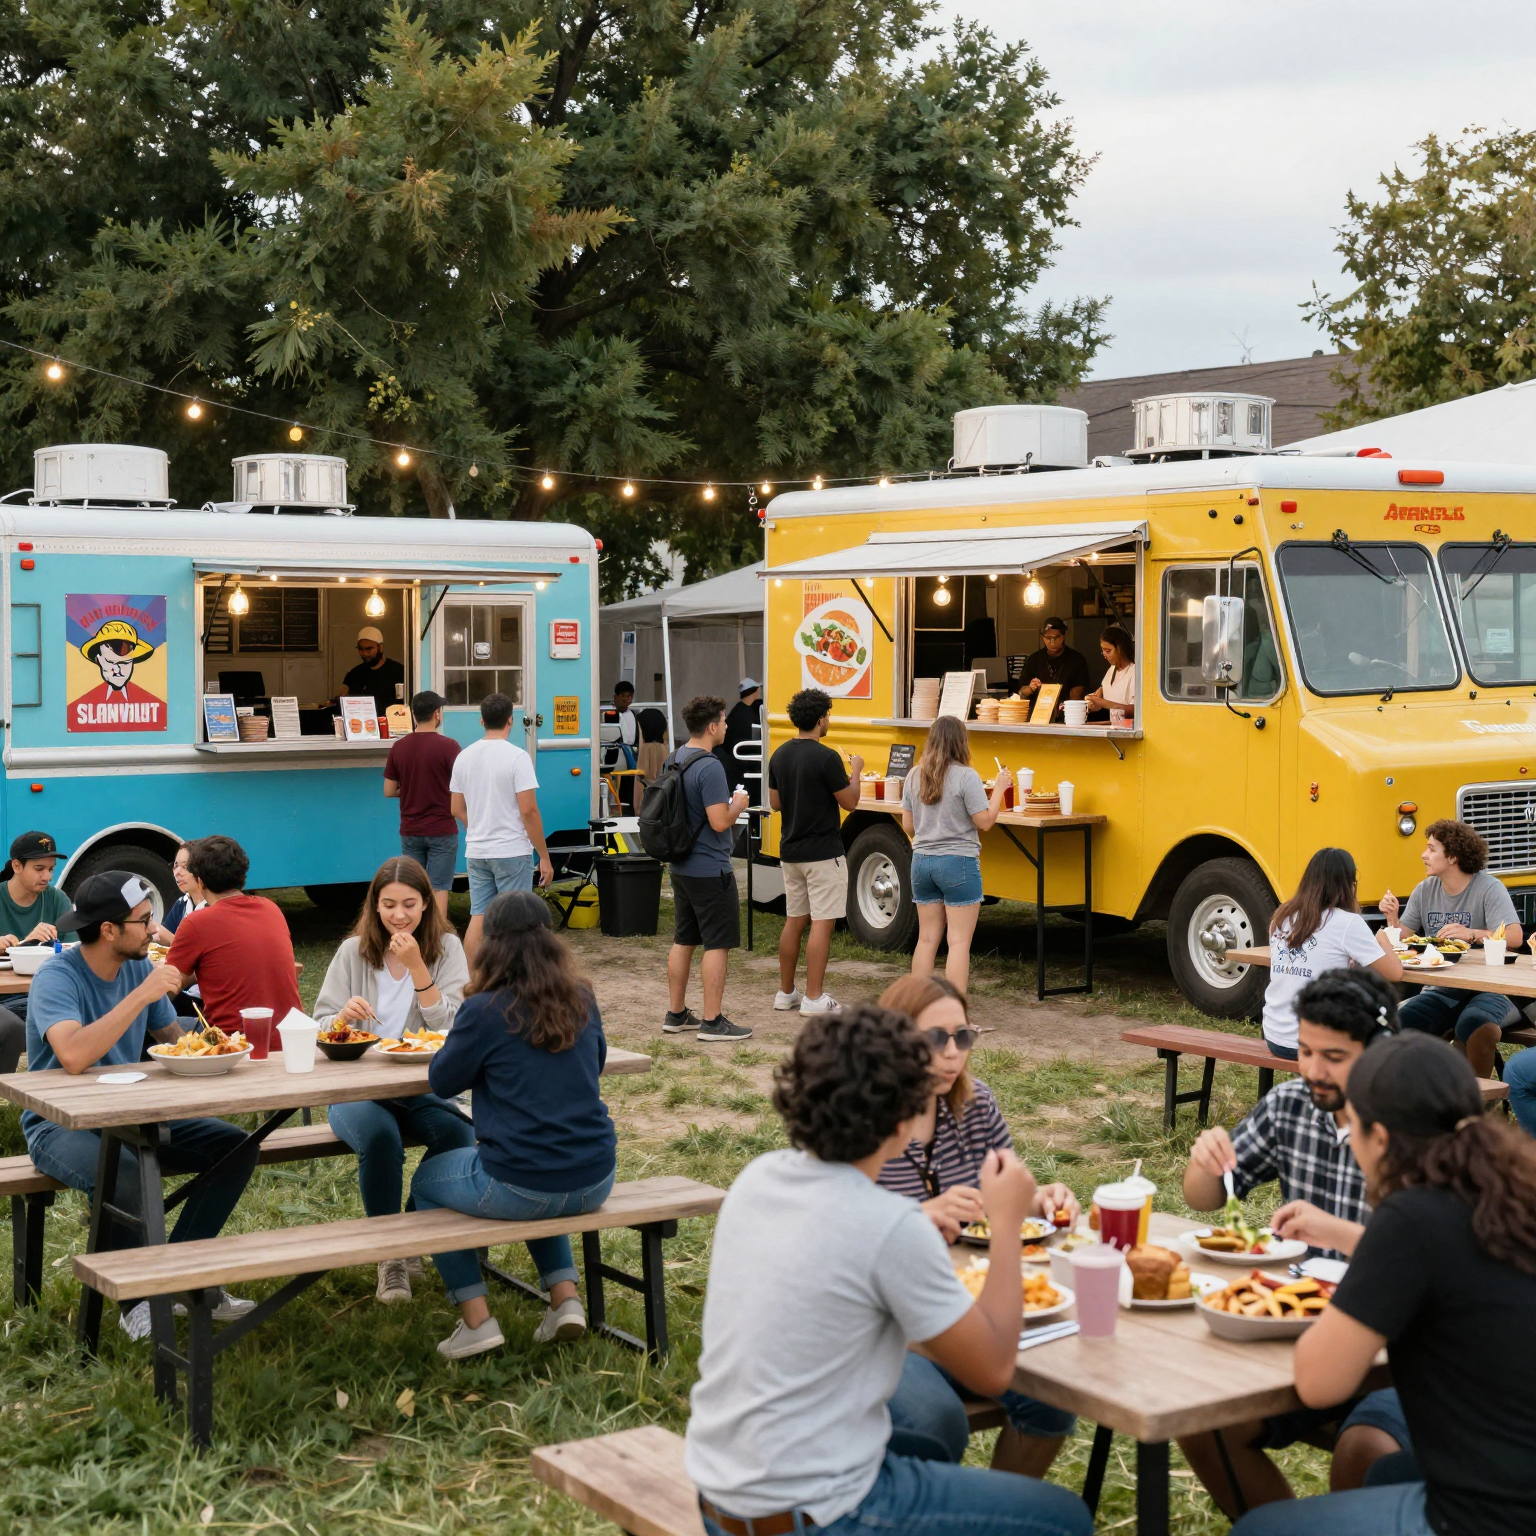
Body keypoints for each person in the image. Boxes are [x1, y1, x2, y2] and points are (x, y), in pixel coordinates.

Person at [683, 1002, 1093, 1536]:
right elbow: (993, 1369)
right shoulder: (888, 1223)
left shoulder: (759, 1178)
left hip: (722, 1495)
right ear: (905, 1121)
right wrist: (1010, 1226)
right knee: (1064, 1519)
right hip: (819, 1515)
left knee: (928, 1429)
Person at [1230, 1032, 1536, 1536]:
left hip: (1489, 1517)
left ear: (1379, 1138)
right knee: (1387, 1472)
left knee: (1258, 1530)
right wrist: (1350, 1237)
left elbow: (1317, 1380)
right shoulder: (1505, 1191)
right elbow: (1455, 1265)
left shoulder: (1411, 1217)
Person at [1177, 970, 1411, 1515]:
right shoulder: (1291, 1107)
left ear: (1380, 1052)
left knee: (1365, 1448)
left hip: (1399, 1347)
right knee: (1205, 1420)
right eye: (1304, 1050)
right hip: (1303, 1327)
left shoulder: (1414, 1125)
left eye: (1333, 1056)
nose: (1311, 1069)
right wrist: (1205, 1158)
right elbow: (1204, 1198)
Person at [23, 870, 260, 1339]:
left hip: (134, 1115)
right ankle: (138, 1301)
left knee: (237, 1147)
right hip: (59, 1126)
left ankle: (179, 1276)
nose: (155, 929)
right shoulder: (58, 976)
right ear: (108, 930)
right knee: (126, 1173)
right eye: (144, 920)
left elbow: (172, 1040)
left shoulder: (137, 967)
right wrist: (141, 995)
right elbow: (72, 1055)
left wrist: (216, 1045)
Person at [877, 975, 1082, 1478]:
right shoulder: (863, 1118)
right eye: (935, 1040)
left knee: (1052, 1397)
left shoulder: (976, 1104)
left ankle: (1000, 1505)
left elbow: (1003, 1195)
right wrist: (919, 1216)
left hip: (972, 1301)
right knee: (934, 1419)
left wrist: (1039, 1199)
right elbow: (835, 1223)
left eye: (963, 1037)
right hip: (892, 1320)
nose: (952, 1054)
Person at [410, 892, 617, 1359]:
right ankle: (565, 1301)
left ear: (491, 946)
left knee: (427, 1181)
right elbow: (597, 1060)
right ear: (550, 941)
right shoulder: (581, 995)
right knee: (541, 1173)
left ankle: (477, 1321)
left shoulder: (485, 1009)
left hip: (521, 1182)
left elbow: (441, 1081)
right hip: (596, 1177)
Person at [316, 857, 473, 1305]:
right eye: (388, 905)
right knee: (382, 1139)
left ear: (426, 904)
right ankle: (390, 1257)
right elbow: (320, 1023)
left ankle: (409, 1231)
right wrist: (341, 1017)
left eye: (409, 904)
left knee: (460, 1132)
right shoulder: (353, 952)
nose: (398, 915)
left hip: (420, 1084)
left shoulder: (446, 948)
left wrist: (419, 970)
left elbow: (456, 1026)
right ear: (375, 905)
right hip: (357, 1087)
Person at [1379, 819, 1522, 1078]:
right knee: (1400, 1027)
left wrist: (1474, 934)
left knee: (1475, 1027)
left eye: (1431, 849)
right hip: (1442, 987)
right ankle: (1415, 1102)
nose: (1424, 855)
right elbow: (1403, 937)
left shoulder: (1489, 888)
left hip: (1492, 989)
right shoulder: (1424, 890)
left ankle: (1476, 1109)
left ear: (1453, 857)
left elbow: (1515, 936)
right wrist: (1392, 919)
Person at [662, 695, 752, 1043]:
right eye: (725, 721)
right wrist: (738, 805)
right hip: (710, 868)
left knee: (684, 938)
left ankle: (676, 1012)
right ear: (712, 726)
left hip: (680, 865)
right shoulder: (711, 765)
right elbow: (718, 821)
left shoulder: (675, 758)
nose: (727, 726)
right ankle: (712, 1021)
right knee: (717, 943)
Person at [768, 688, 862, 1015]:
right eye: (829, 716)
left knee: (795, 921)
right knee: (822, 922)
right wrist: (857, 772)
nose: (829, 721)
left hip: (790, 851)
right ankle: (814, 997)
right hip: (823, 853)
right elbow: (850, 802)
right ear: (821, 719)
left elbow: (775, 803)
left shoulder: (779, 755)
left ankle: (785, 993)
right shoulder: (826, 757)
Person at [901, 715, 1009, 994]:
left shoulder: (914, 774)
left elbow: (908, 826)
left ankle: (918, 1009)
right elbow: (984, 822)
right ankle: (955, 1015)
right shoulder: (966, 776)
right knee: (959, 942)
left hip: (921, 861)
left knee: (926, 940)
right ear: (962, 741)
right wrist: (999, 790)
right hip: (958, 862)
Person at [1261, 848, 1402, 1059]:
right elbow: (1395, 973)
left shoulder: (1283, 916)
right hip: (1317, 1042)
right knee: (1389, 1023)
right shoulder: (1347, 922)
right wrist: (1383, 939)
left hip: (1275, 1035)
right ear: (1349, 885)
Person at [449, 691, 553, 963]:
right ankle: (512, 978)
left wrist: (478, 826)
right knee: (516, 918)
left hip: (477, 849)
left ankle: (473, 979)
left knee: (478, 915)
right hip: (510, 850)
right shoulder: (517, 757)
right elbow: (529, 811)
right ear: (511, 720)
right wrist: (544, 856)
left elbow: (456, 808)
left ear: (482, 721)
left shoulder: (464, 757)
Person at [165, 835, 302, 1033]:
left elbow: (166, 987)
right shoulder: (272, 910)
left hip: (231, 1045)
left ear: (200, 881)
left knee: (147, 1028)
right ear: (243, 878)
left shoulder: (197, 923)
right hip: (289, 1039)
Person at [384, 690, 461, 917]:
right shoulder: (449, 747)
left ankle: (413, 935)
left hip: (410, 829)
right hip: (442, 829)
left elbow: (389, 790)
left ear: (414, 716)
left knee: (412, 888)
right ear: (437, 714)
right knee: (439, 887)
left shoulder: (399, 747)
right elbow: (462, 786)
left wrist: (411, 789)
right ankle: (437, 940)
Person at [0, 829, 71, 1038]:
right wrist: (27, 943)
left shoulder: (58, 899)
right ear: (16, 866)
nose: (47, 876)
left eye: (51, 869)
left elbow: (74, 950)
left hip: (48, 992)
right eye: (39, 868)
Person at [153, 842, 207, 1019]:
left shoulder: (211, 909)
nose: (177, 872)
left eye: (185, 867)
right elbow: (161, 944)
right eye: (175, 865)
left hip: (200, 999)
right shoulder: (182, 903)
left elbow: (200, 961)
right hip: (181, 987)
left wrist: (169, 937)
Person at [1018, 617, 1089, 721]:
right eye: (1047, 638)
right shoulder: (1034, 659)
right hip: (1036, 718)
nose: (1052, 642)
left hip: (1066, 718)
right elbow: (1021, 693)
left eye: (1056, 637)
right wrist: (1030, 688)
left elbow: (1076, 697)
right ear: (1042, 637)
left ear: (1064, 636)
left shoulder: (1077, 660)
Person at [338, 624, 406, 709]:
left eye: (368, 649)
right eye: (360, 649)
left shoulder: (399, 672)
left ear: (380, 647)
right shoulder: (354, 675)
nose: (363, 653)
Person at [719, 678, 762, 798]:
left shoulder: (738, 711)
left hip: (740, 767)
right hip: (745, 769)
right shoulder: (745, 715)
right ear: (756, 690)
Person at [1083, 625, 1136, 722]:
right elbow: (1103, 701)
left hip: (1129, 726)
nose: (1104, 655)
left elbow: (1135, 711)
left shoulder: (1134, 671)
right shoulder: (1111, 670)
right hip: (1114, 724)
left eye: (1108, 651)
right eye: (1102, 651)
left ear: (1120, 648)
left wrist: (1103, 703)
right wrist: (1094, 704)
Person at [608, 681, 639, 809]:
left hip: (629, 754)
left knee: (628, 784)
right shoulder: (608, 713)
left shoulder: (633, 714)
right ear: (615, 696)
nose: (626, 699)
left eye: (629, 696)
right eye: (623, 696)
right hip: (611, 753)